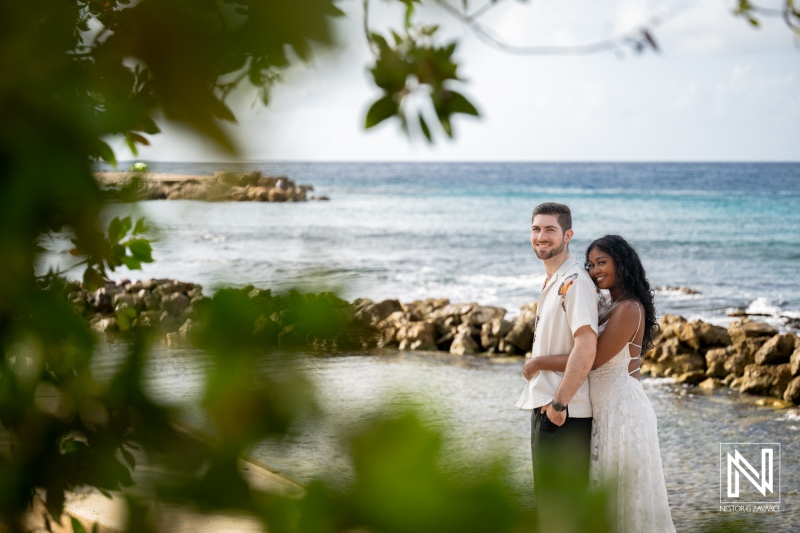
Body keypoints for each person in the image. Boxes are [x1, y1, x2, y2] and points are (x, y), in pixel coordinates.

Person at [524, 235, 676, 532]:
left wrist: (539, 361)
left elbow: (592, 359)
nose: (595, 271)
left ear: (622, 263)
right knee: (602, 494)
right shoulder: (608, 302)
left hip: (622, 411)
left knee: (625, 498)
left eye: (602, 263)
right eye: (591, 264)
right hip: (604, 409)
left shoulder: (629, 308)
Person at [515, 202, 599, 502]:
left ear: (568, 235)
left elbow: (587, 346)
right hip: (549, 405)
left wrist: (559, 406)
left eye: (550, 229)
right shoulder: (556, 279)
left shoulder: (575, 281)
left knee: (562, 509)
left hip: (565, 412)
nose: (542, 236)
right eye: (536, 229)